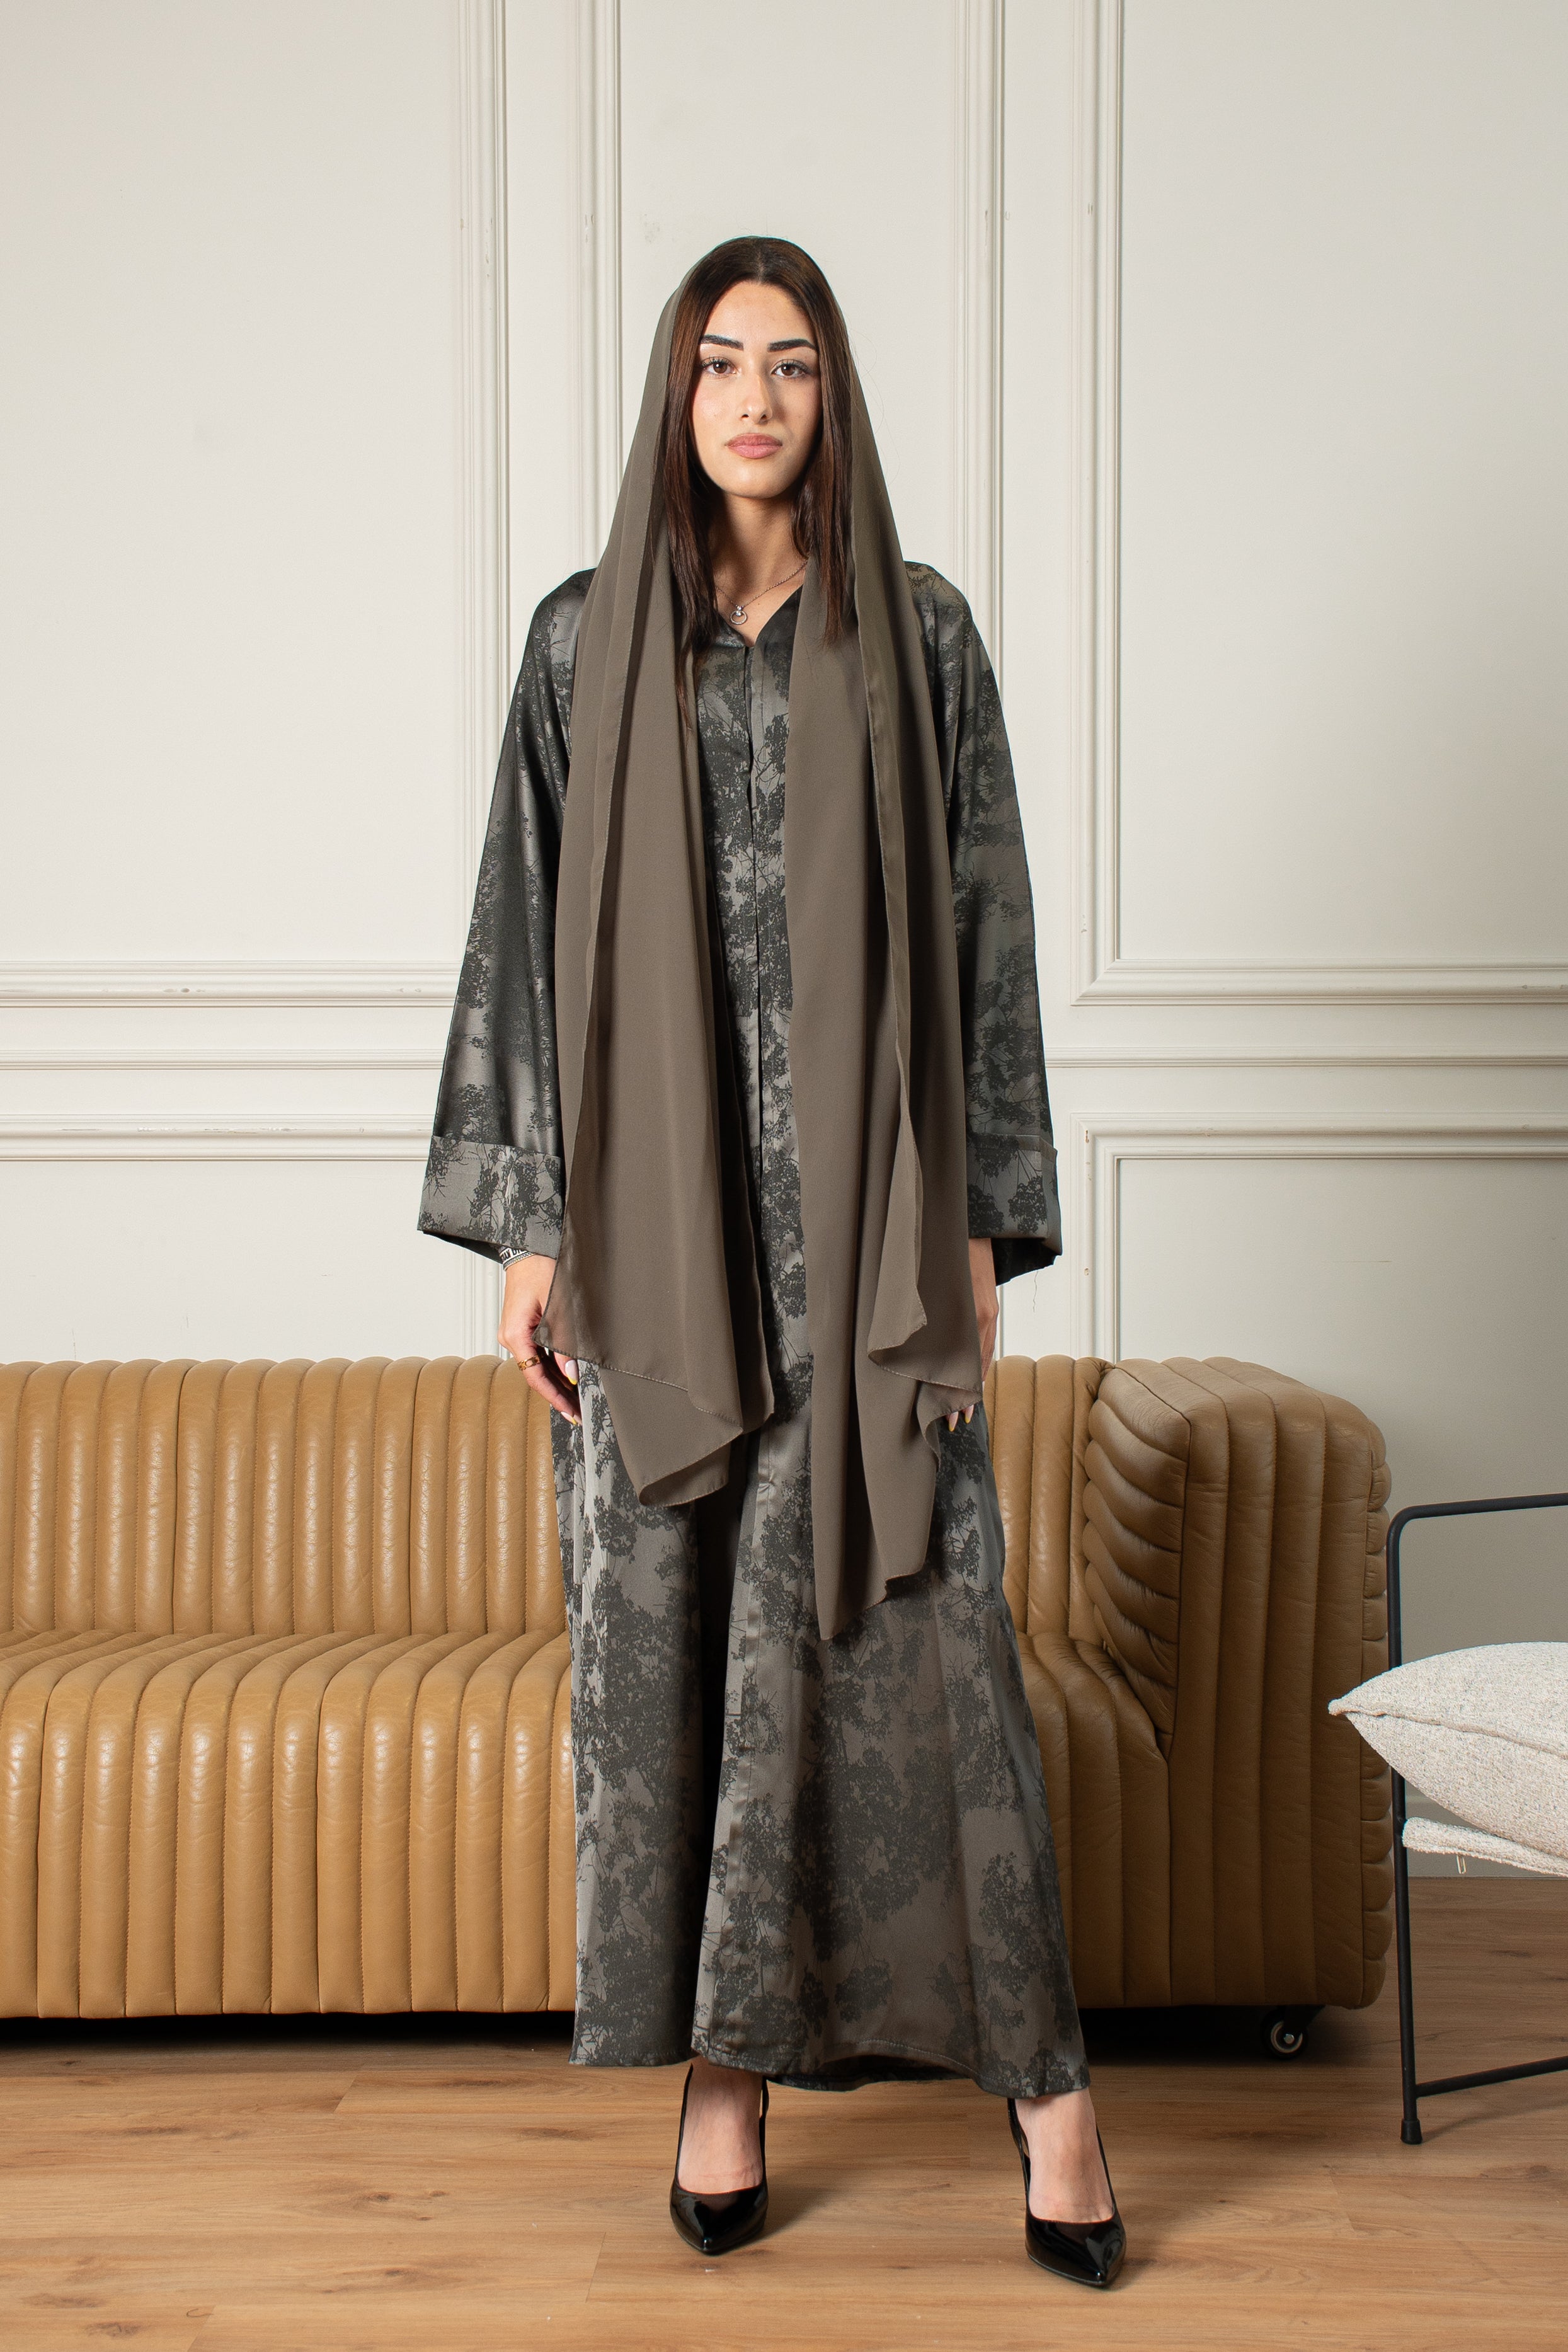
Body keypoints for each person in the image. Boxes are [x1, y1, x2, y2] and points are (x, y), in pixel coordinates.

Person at [419, 235, 1126, 2290]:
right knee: (671, 1653)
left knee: (931, 1648)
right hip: (653, 1241)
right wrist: (529, 1228)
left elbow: (985, 927)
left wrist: (984, 1215)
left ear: (833, 396)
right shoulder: (583, 642)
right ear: (678, 390)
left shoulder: (917, 632)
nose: (752, 399)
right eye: (721, 362)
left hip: (872, 1235)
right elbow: (520, 935)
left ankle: (1052, 2102)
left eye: (791, 364)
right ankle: (718, 2084)